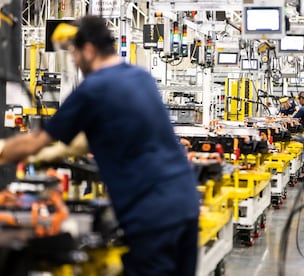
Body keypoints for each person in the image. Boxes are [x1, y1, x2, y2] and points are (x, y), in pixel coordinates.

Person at [0, 16, 200, 276]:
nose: (73, 59)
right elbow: (120, 129)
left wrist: (4, 149)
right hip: (185, 203)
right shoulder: (140, 78)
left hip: (151, 213)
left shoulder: (93, 89)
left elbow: (36, 141)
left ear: (90, 49)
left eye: (74, 52)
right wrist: (69, 148)